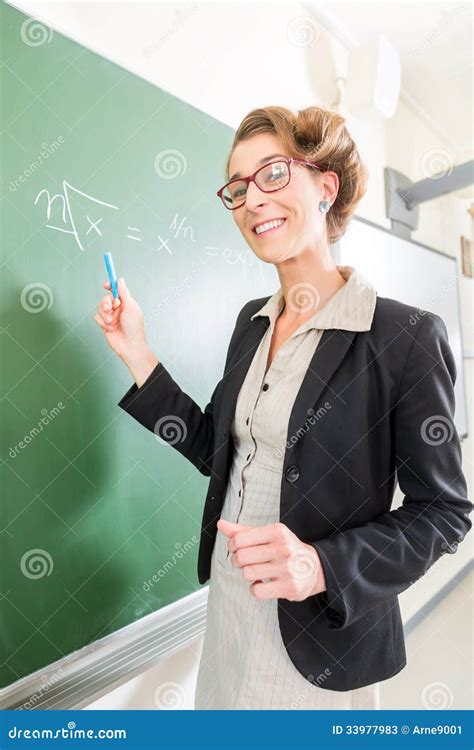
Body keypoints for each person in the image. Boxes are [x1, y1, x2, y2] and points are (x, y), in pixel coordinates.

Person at [94, 106, 471, 710]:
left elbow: (444, 512)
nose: (251, 200)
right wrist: (138, 355)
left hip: (320, 633)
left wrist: (320, 566)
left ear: (326, 187)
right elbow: (218, 447)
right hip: (230, 609)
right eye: (238, 188)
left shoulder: (403, 338)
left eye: (272, 174)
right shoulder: (252, 320)